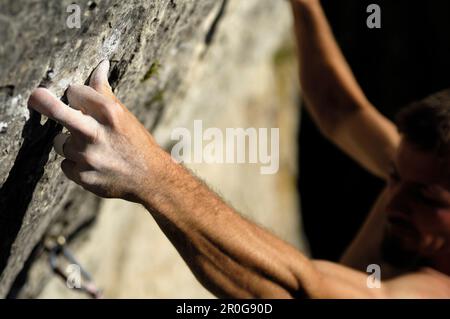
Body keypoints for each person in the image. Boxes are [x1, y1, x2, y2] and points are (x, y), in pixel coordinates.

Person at [27, 0, 450, 298]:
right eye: (393, 175)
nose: (394, 199)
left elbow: (302, 290)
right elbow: (340, 111)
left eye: (426, 197)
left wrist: (148, 171)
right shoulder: (420, 175)